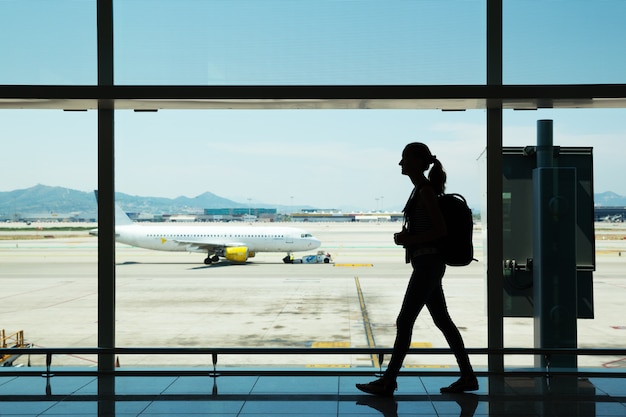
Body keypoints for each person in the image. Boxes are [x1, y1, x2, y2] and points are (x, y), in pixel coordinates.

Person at [356, 142, 478, 397]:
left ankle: (388, 381)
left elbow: (440, 230)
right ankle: (467, 376)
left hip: (428, 265)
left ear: (416, 162)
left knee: (405, 320)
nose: (400, 164)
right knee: (442, 320)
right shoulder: (421, 190)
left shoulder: (424, 191)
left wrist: (408, 240)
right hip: (427, 264)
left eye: (404, 159)